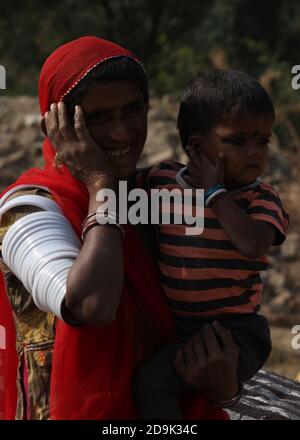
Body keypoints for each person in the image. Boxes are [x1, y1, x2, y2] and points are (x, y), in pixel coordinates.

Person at [0, 37, 237, 420]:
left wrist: (225, 388)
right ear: (55, 125)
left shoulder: (152, 198)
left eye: (133, 110)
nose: (122, 133)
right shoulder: (27, 211)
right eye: (97, 118)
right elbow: (92, 304)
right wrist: (98, 181)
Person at [132, 69, 289, 419]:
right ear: (197, 147)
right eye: (237, 141)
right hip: (179, 329)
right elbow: (116, 191)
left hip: (236, 334)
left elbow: (252, 243)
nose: (254, 152)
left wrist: (215, 195)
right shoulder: (161, 181)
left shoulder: (259, 198)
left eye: (263, 141)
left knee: (152, 383)